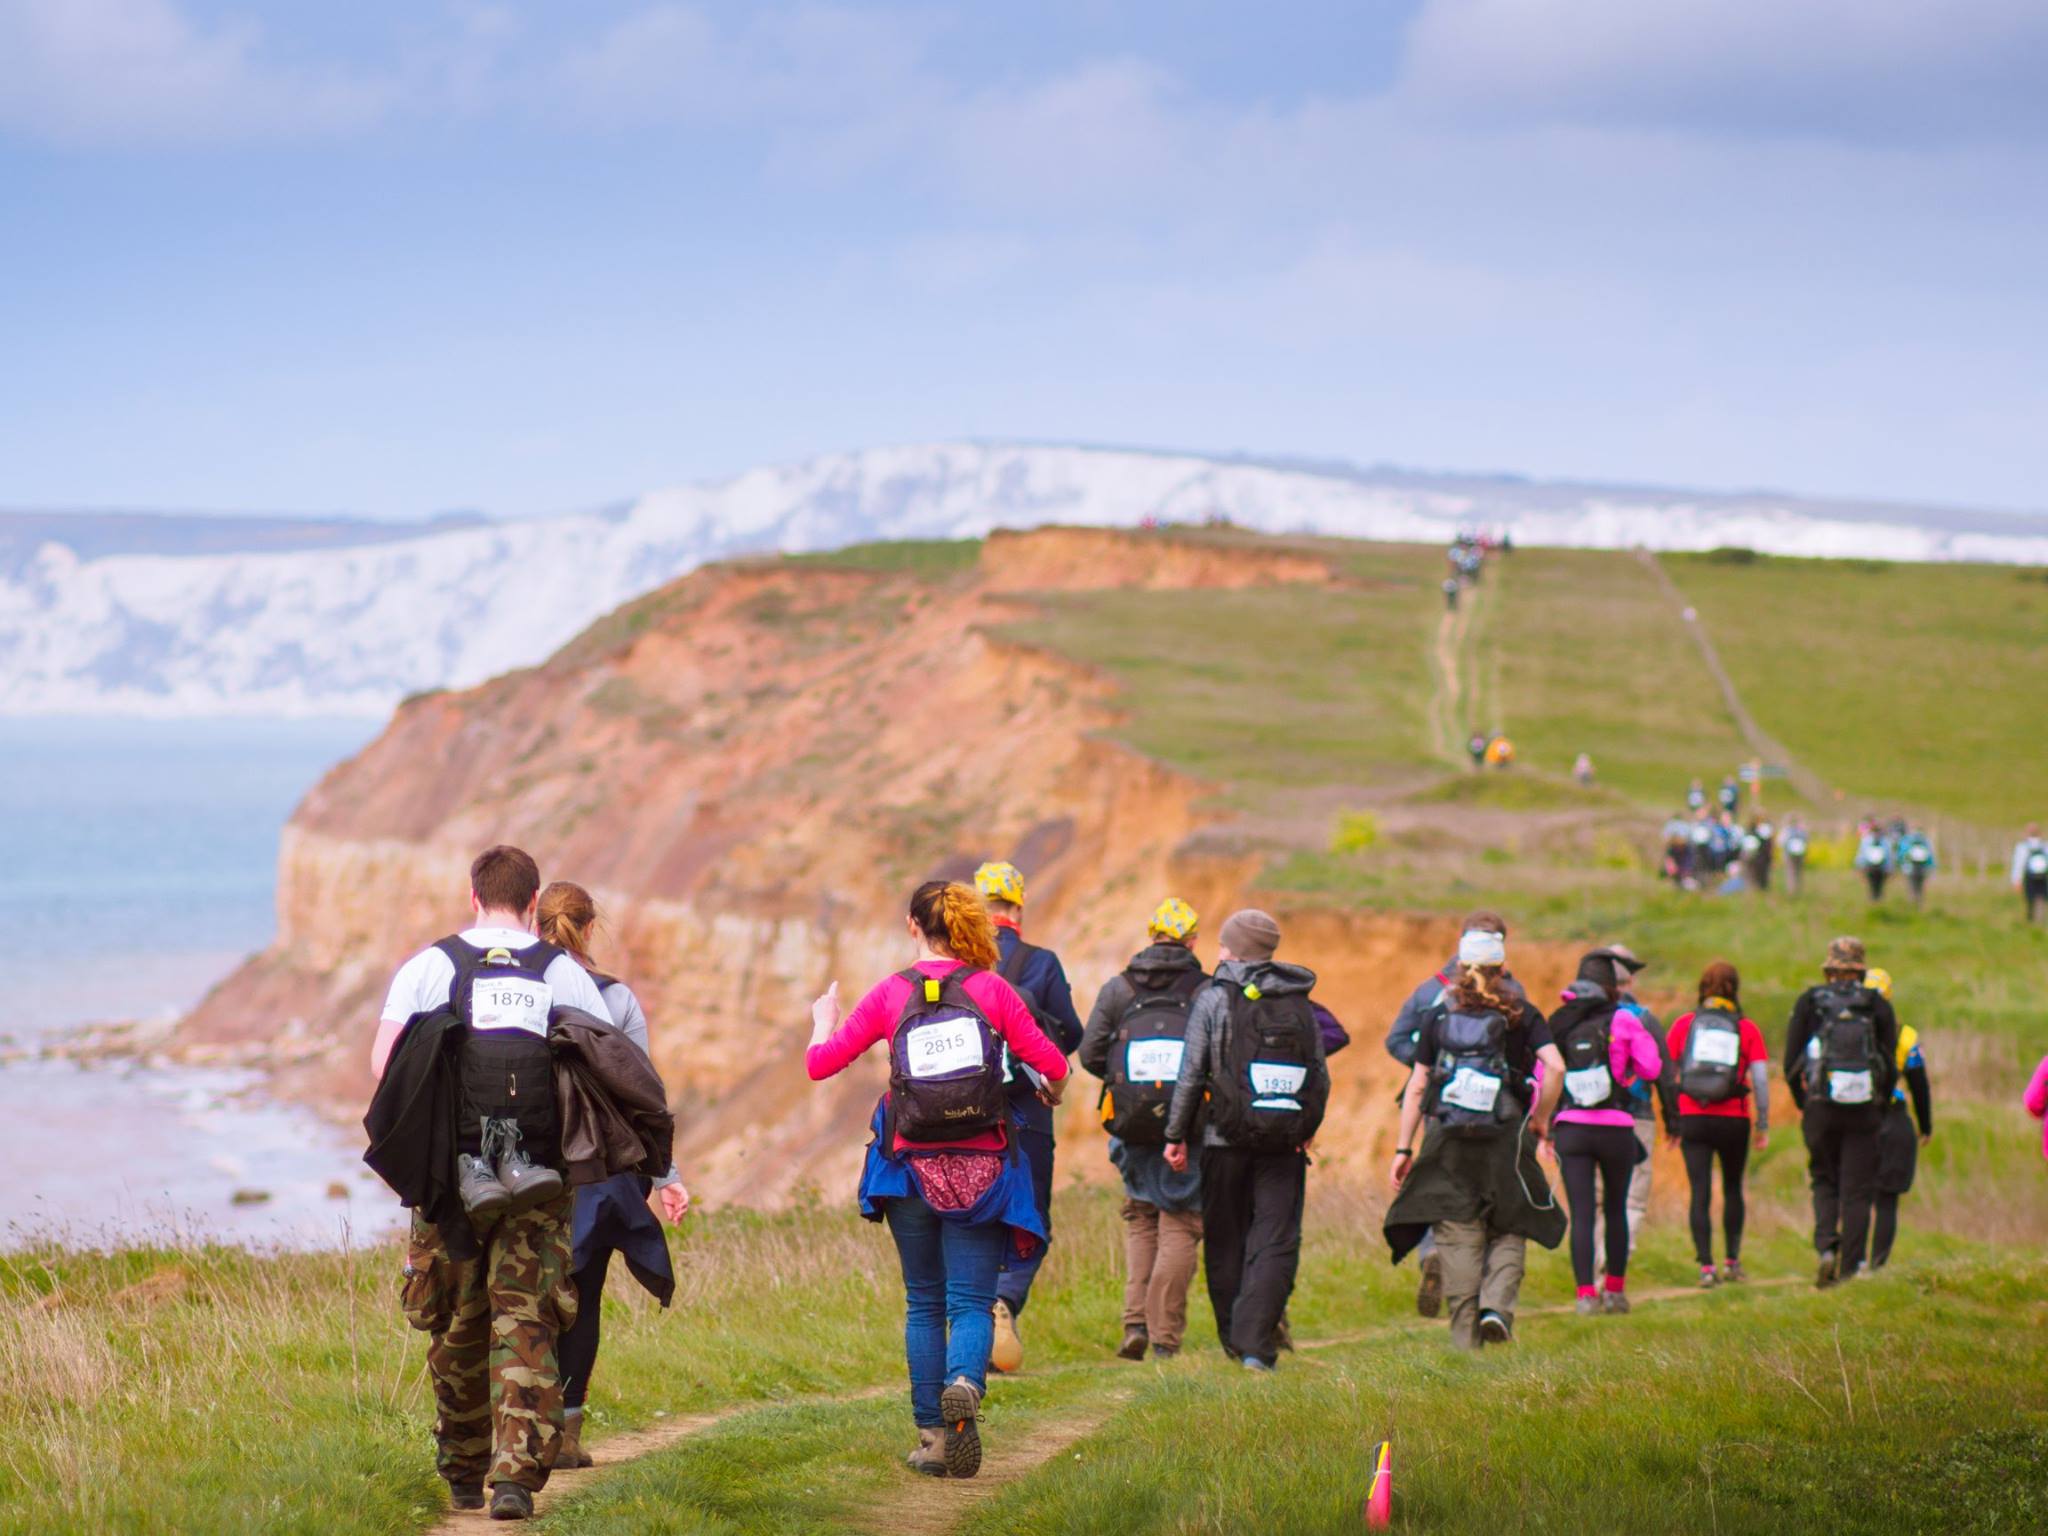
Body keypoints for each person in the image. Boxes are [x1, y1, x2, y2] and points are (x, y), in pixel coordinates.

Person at [368, 845, 618, 1521]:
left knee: (454, 1320)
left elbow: (385, 1064)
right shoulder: (560, 970)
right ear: (534, 903)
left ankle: (460, 1472)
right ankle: (514, 1479)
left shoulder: (431, 966)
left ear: (471, 895)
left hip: (451, 1177)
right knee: (526, 1318)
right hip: (539, 1175)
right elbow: (603, 1065)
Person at [804, 881, 1069, 1479]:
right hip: (981, 1167)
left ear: (911, 925)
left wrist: (824, 1020)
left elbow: (820, 1065)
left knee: (924, 1301)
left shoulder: (890, 994)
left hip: (907, 1167)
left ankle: (932, 1439)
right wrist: (1053, 1087)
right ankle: (965, 1384)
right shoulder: (993, 990)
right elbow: (1054, 1065)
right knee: (971, 1300)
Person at [535, 882, 689, 1470]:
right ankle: (567, 1434)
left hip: (523, 1167)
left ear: (534, 924)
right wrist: (665, 1174)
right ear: (591, 928)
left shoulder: (516, 991)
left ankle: (523, 1424)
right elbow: (642, 1094)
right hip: (596, 1173)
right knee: (584, 1300)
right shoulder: (614, 997)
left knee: (524, 1296)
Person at [1162, 909, 1328, 1372]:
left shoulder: (1215, 997)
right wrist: (1306, 1127)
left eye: (1222, 944)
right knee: (1276, 1239)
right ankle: (1258, 1345)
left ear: (1234, 949)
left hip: (1224, 1139)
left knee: (1226, 1240)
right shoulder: (1299, 1000)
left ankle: (1237, 1341)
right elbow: (1320, 1073)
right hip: (1285, 1143)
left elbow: (1191, 1073)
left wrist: (1175, 1134)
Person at [1386, 928, 1565, 1347]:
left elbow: (1417, 1085)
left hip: (1449, 1137)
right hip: (1505, 1136)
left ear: (1460, 967)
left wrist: (1403, 1147)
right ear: (1503, 967)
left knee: (1457, 1228)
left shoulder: (1440, 1014)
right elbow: (1555, 1068)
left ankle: (1464, 1342)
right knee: (1509, 1223)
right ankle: (1496, 1308)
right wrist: (1541, 1119)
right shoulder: (1521, 1012)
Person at [1077, 897, 1207, 1362]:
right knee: (1181, 1221)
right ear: (1191, 940)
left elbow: (1090, 1052)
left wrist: (1125, 1085)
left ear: (1152, 936)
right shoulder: (1205, 991)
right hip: (1189, 1127)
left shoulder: (1120, 988)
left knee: (1142, 1217)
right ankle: (1164, 1337)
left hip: (1130, 1126)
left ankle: (1134, 1323)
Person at [971, 861, 1084, 1374]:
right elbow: (1075, 1035)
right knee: (1031, 1219)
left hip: (968, 1115)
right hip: (1031, 1110)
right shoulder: (1042, 963)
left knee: (976, 1218)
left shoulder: (963, 966)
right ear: (1017, 907)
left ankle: (974, 1323)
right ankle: (1006, 1300)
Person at [1384, 910, 1517, 1318]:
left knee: (1438, 1181)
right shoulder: (1513, 992)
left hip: (1440, 1107)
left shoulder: (1431, 990)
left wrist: (1435, 1069)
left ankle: (1432, 1253)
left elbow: (1395, 1040)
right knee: (1490, 1193)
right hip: (1496, 1111)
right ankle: (1486, 1289)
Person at [1549, 951, 1665, 1314]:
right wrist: (1625, 1067)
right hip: (1617, 1127)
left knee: (1582, 1214)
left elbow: (1544, 1077)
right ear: (1613, 988)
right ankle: (1614, 1291)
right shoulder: (1624, 1020)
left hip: (1571, 1129)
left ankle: (1585, 1296)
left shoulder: (1558, 1023)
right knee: (1616, 1209)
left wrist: (1543, 1127)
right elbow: (1652, 1067)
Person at [1784, 937, 1900, 1287]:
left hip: (1820, 1107)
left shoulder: (1810, 1002)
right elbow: (1889, 1063)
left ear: (1829, 970)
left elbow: (1790, 1063)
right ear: (1860, 971)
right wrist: (1878, 1102)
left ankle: (1825, 1249)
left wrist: (1805, 1104)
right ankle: (1850, 1270)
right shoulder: (1876, 1005)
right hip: (1865, 1111)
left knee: (1823, 1178)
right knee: (1857, 1191)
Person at [1665, 963, 1770, 1287]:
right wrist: (1762, 1122)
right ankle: (1732, 1261)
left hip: (1693, 1116)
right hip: (1734, 1118)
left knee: (1699, 1192)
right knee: (1733, 1188)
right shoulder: (1746, 1028)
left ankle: (1706, 1267)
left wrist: (1672, 1118)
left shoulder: (1685, 1024)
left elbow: (1666, 1074)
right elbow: (1762, 1080)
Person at [1863, 968, 1932, 1271]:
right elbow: (1919, 1084)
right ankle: (1877, 1268)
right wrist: (1925, 1125)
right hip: (1892, 1119)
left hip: (1854, 1118)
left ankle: (1849, 1263)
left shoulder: (1841, 1027)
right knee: (1886, 1201)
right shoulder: (1905, 1036)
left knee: (1854, 1196)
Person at [2010, 824, 2048, 924]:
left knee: (2030, 900)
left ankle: (2032, 921)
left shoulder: (2022, 847)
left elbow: (2018, 865)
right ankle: (2040, 920)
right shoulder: (2045, 846)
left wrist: (2016, 880)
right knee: (2042, 899)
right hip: (2043, 877)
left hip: (2029, 877)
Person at [1898, 827, 1936, 907]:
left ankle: (1911, 905)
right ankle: (1919, 905)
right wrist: (1932, 868)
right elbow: (1930, 857)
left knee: (1911, 887)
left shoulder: (1908, 841)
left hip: (1910, 869)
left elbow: (1902, 855)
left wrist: (1902, 866)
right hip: (1922, 869)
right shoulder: (1926, 842)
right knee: (1920, 888)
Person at [1856, 824, 1892, 902]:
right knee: (1880, 886)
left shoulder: (1866, 840)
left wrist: (1859, 867)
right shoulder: (1885, 841)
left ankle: (1873, 902)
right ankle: (1879, 902)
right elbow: (1889, 857)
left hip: (1869, 867)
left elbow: (1861, 855)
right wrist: (1889, 869)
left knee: (1871, 886)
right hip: (1882, 868)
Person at [1783, 817, 1810, 896]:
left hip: (1790, 855)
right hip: (1799, 855)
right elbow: (1806, 841)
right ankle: (1797, 889)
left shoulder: (1787, 831)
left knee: (1791, 872)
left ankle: (1792, 890)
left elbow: (1782, 842)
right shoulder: (1802, 831)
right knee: (1798, 872)